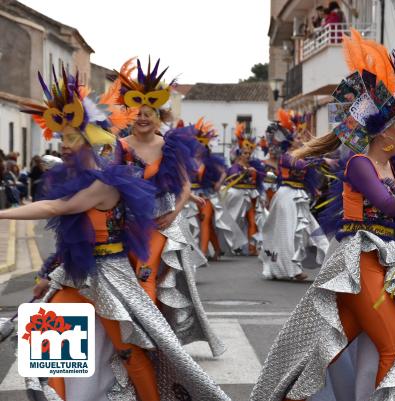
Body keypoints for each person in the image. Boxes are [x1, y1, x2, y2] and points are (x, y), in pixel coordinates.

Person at [249, 30, 395, 401]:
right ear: (382, 131)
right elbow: (389, 205)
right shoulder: (360, 163)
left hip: (380, 259)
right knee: (390, 344)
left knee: (332, 345)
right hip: (357, 260)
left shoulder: (390, 165)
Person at [15, 67, 230, 401]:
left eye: (71, 138)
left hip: (148, 232)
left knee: (136, 326)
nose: (64, 146)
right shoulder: (113, 157)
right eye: (62, 139)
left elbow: (57, 208)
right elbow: (68, 222)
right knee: (51, 323)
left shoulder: (118, 174)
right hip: (97, 255)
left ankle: (147, 352)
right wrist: (50, 271)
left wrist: (177, 207)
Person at [112, 57, 225, 356]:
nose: (142, 118)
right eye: (137, 114)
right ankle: (146, 337)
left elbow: (185, 185)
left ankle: (148, 344)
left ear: (158, 116)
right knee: (129, 279)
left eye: (149, 114)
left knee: (146, 278)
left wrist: (174, 213)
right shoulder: (120, 147)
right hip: (127, 224)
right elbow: (109, 185)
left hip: (160, 224)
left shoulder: (169, 145)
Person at [259, 110, 329, 281]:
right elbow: (299, 166)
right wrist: (322, 160)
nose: (302, 140)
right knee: (288, 233)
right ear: (290, 140)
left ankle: (330, 263)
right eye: (298, 138)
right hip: (286, 197)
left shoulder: (301, 156)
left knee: (312, 229)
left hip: (297, 196)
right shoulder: (286, 157)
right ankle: (292, 270)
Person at [187, 117, 247, 259]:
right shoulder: (187, 160)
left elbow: (224, 171)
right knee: (201, 222)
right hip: (192, 194)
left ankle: (202, 252)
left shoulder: (211, 161)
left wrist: (219, 182)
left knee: (205, 220)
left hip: (208, 194)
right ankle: (217, 249)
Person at [223, 122, 266, 256]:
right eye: (245, 152)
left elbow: (261, 178)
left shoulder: (255, 165)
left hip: (251, 194)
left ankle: (252, 247)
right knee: (235, 220)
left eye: (249, 153)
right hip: (237, 196)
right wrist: (245, 173)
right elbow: (231, 177)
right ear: (239, 153)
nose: (247, 155)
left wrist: (255, 173)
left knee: (253, 220)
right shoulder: (235, 166)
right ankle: (234, 246)